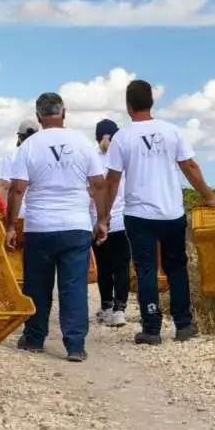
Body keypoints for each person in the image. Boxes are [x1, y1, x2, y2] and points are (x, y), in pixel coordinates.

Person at [105, 79, 215, 345]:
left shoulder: (122, 137)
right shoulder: (172, 131)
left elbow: (112, 180)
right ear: (151, 102)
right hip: (171, 212)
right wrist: (209, 195)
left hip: (138, 215)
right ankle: (184, 325)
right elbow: (190, 166)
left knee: (146, 268)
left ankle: (151, 328)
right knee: (176, 267)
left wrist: (103, 215)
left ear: (128, 106)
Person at [5, 92, 108, 362]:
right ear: (64, 113)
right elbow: (98, 184)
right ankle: (75, 345)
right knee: (73, 286)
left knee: (37, 285)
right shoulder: (83, 143)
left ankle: (34, 338)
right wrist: (102, 219)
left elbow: (17, 189)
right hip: (75, 225)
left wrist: (11, 226)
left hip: (40, 226)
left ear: (39, 116)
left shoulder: (28, 146)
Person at [91, 119, 130, 327]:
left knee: (104, 265)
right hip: (121, 220)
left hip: (98, 220)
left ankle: (106, 307)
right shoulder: (123, 155)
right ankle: (119, 309)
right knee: (121, 266)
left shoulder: (91, 157)